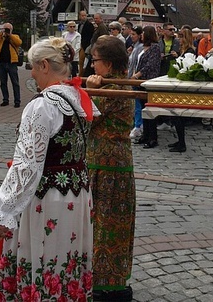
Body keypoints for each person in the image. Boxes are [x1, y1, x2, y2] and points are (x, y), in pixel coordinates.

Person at [0, 37, 96, 300]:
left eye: (33, 67)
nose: (32, 73)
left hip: (46, 199)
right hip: (77, 196)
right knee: (66, 261)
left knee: (43, 258)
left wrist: (3, 212)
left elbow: (27, 165)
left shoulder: (43, 106)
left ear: (45, 65)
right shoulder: (80, 99)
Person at [85, 36, 136, 301]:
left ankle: (108, 284)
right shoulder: (114, 83)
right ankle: (101, 279)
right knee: (101, 223)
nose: (92, 66)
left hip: (109, 167)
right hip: (107, 163)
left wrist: (92, 92)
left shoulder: (112, 88)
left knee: (107, 224)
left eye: (94, 61)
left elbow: (85, 117)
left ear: (107, 61)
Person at [131, 25, 162, 148]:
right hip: (140, 82)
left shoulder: (155, 48)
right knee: (143, 109)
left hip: (148, 80)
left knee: (149, 110)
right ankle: (145, 135)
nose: (141, 35)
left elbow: (150, 64)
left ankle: (152, 138)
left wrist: (138, 75)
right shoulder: (143, 48)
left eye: (143, 33)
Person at [0, 23, 22, 108]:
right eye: (5, 29)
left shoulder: (15, 37)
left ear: (11, 30)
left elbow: (19, 42)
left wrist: (10, 35)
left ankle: (17, 100)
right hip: (1, 63)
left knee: (15, 82)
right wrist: (1, 34)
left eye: (8, 29)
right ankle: (5, 99)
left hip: (12, 63)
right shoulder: (1, 38)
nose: (6, 30)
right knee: (3, 83)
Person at [127, 25, 144, 140]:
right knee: (135, 103)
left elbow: (136, 64)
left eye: (134, 34)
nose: (131, 36)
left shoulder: (140, 47)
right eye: (131, 34)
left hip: (135, 78)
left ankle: (138, 125)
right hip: (131, 76)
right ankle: (136, 124)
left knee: (137, 104)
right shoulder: (134, 47)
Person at [78, 10, 95, 76]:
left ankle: (82, 74)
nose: (84, 17)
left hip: (85, 45)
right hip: (80, 44)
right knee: (80, 62)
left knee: (83, 61)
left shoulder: (89, 25)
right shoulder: (79, 25)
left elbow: (90, 36)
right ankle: (80, 73)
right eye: (82, 16)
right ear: (79, 16)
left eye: (85, 15)